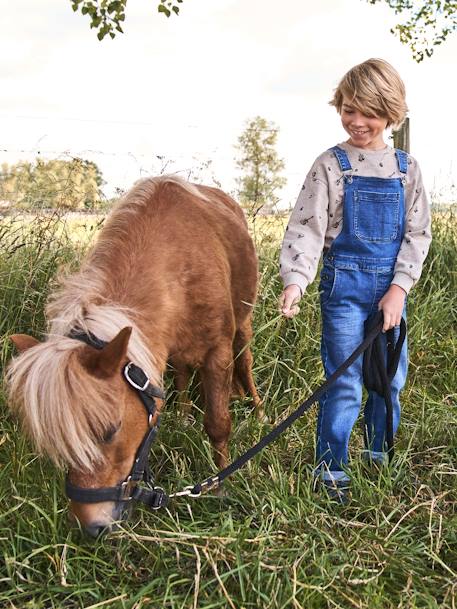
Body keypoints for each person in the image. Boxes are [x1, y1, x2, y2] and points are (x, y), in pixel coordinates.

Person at [278, 58, 432, 502]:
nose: (357, 121)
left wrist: (398, 290)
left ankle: (380, 455)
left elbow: (418, 235)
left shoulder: (407, 169)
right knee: (343, 380)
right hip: (343, 290)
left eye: (369, 112)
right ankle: (331, 469)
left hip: (391, 293)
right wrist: (296, 280)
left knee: (387, 379)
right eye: (348, 109)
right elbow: (306, 228)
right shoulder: (331, 164)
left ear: (390, 114)